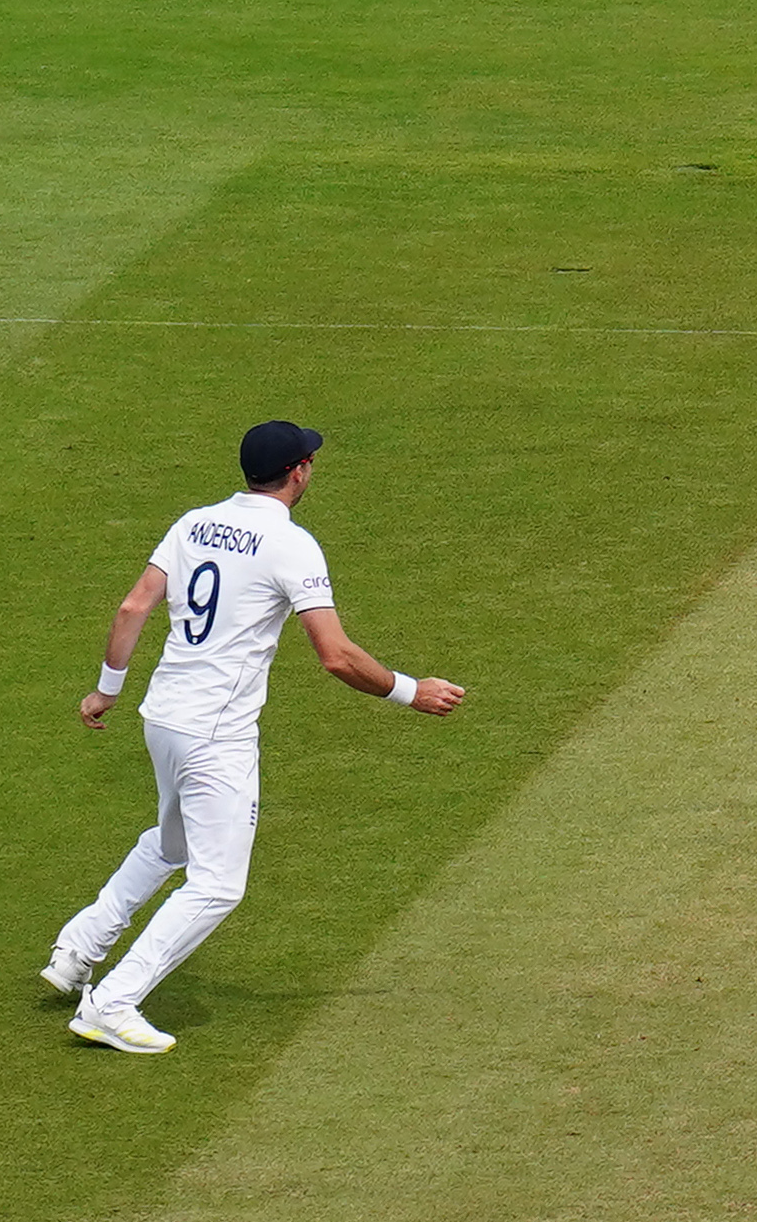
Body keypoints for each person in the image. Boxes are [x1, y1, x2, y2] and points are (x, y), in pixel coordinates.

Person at [46, 420, 464, 1054]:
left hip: (162, 715)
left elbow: (135, 607)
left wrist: (107, 688)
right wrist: (410, 690)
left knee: (171, 841)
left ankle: (78, 947)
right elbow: (336, 655)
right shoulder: (291, 545)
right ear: (298, 472)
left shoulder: (193, 522)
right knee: (216, 884)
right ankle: (112, 1002)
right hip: (216, 733)